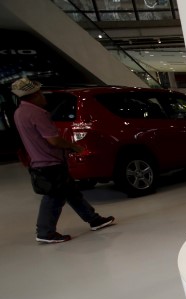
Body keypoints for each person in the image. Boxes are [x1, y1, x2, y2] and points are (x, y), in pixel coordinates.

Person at [12, 77, 115, 244]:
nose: (43, 96)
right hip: (50, 162)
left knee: (71, 193)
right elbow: (53, 140)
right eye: (40, 93)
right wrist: (73, 147)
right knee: (54, 197)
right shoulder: (37, 113)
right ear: (34, 94)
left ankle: (94, 219)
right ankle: (45, 232)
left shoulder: (19, 112)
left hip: (39, 161)